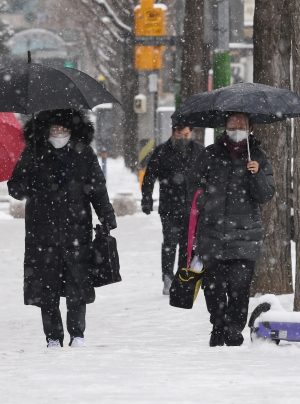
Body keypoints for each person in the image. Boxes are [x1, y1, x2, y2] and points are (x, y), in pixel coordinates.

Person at [8, 109, 116, 348]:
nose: (59, 133)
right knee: (47, 286)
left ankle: (77, 334)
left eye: (63, 129)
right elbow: (15, 188)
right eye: (54, 129)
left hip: (76, 229)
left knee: (78, 282)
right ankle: (53, 337)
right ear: (45, 130)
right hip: (41, 231)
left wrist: (106, 216)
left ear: (73, 130)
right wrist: (31, 181)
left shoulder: (84, 154)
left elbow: (97, 188)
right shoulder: (34, 152)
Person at [188, 113, 275, 347]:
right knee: (213, 287)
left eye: (242, 125)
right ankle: (217, 325)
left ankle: (234, 330)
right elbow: (192, 184)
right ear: (224, 127)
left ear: (251, 128)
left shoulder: (258, 156)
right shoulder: (210, 154)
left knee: (239, 287)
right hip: (212, 233)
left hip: (245, 235)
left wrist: (256, 174)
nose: (237, 128)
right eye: (232, 124)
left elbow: (266, 195)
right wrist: (205, 200)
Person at [141, 125, 204, 294]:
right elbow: (149, 176)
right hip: (169, 206)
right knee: (170, 242)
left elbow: (208, 175)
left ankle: (182, 275)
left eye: (186, 134)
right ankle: (167, 277)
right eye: (179, 134)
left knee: (187, 244)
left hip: (192, 207)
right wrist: (146, 198)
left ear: (191, 133)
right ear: (173, 133)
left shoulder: (199, 151)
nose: (183, 138)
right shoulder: (162, 151)